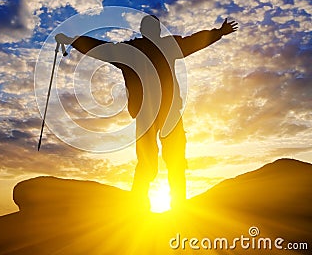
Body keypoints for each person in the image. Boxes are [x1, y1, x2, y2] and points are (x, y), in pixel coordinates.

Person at [55, 15, 238, 211]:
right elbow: (193, 41)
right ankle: (176, 206)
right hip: (168, 112)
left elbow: (100, 48)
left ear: (143, 30)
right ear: (157, 31)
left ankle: (140, 205)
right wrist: (219, 32)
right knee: (173, 161)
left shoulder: (130, 51)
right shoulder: (165, 46)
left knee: (148, 161)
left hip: (149, 113)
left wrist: (73, 40)